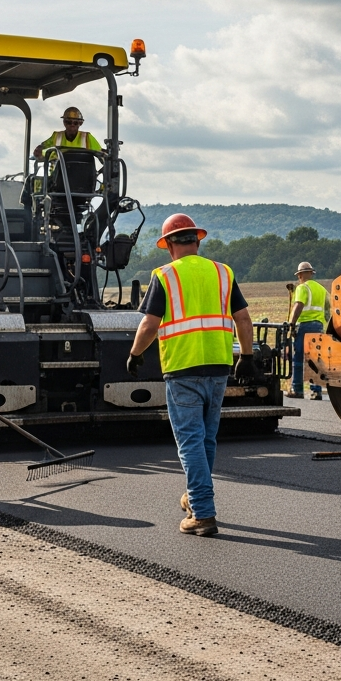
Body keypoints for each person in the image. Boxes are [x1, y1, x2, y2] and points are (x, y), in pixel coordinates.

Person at [127, 213, 259, 537]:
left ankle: (202, 513)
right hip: (218, 366)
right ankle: (193, 495)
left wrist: (135, 353)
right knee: (205, 439)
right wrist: (248, 355)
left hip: (182, 368)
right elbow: (243, 317)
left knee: (189, 442)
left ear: (169, 245)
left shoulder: (165, 275)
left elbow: (149, 324)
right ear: (197, 241)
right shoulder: (222, 272)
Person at [286, 261, 328, 400]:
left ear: (301, 275)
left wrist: (291, 324)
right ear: (311, 273)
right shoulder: (321, 289)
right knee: (315, 359)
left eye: (299, 275)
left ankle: (297, 389)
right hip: (319, 326)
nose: (299, 278)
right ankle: (316, 391)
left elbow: (298, 306)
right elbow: (328, 308)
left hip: (304, 325)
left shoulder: (302, 288)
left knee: (298, 358)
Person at [32, 107, 105, 158]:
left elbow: (101, 154)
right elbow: (42, 150)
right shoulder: (56, 136)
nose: (72, 125)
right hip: (58, 176)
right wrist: (39, 151)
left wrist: (107, 155)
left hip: (83, 177)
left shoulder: (87, 137)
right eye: (69, 122)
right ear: (64, 122)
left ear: (80, 123)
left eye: (75, 122)